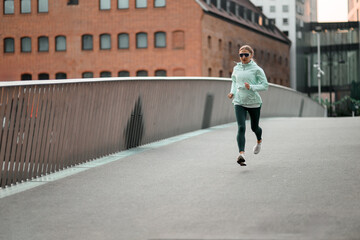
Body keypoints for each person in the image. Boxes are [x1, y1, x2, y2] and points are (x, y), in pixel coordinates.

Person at [227, 45, 268, 166]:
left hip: (254, 102)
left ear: (251, 55)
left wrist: (252, 87)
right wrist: (232, 92)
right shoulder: (236, 68)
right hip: (239, 101)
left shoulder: (257, 69)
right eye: (241, 55)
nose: (243, 57)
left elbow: (265, 85)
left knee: (254, 127)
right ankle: (241, 154)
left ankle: (259, 141)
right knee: (241, 127)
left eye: (246, 55)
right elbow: (234, 82)